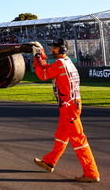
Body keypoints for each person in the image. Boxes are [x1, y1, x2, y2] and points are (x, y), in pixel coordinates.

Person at [31, 39, 100, 182]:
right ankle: (49, 162)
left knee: (79, 140)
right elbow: (48, 69)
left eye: (55, 48)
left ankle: (91, 173)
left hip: (69, 107)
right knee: (61, 137)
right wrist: (40, 55)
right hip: (71, 105)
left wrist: (38, 56)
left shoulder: (60, 64)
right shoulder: (67, 62)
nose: (52, 50)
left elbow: (43, 74)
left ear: (62, 49)